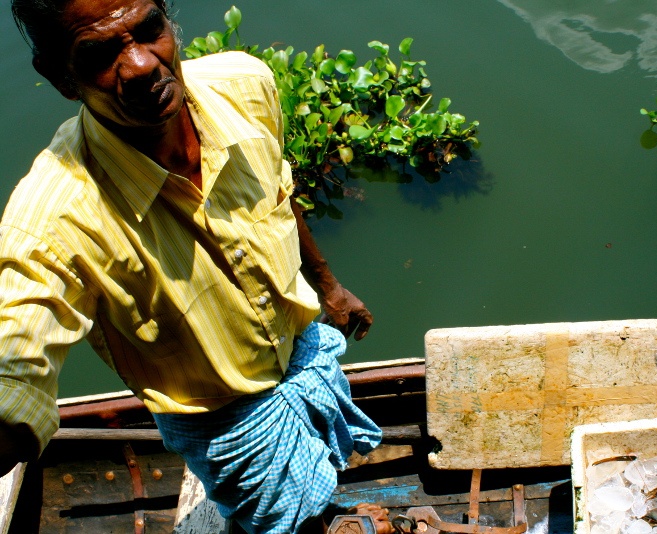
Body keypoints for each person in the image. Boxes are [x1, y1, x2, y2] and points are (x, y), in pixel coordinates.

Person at [2, 0, 391, 532]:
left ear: (167, 19)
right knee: (280, 520)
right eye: (98, 52)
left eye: (148, 29)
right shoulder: (52, 221)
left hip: (297, 352)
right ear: (61, 77)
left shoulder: (244, 86)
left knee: (314, 484)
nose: (140, 64)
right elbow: (14, 366)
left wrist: (328, 286)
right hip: (227, 425)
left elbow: (278, 190)